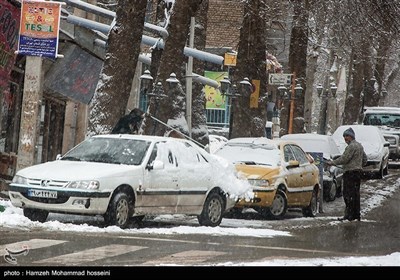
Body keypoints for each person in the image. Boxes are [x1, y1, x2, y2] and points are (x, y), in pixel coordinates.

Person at [326, 127, 367, 221]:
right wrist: (358, 165)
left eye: (347, 136)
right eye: (344, 136)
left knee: (348, 194)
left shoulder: (351, 146)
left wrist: (332, 162)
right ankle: (356, 214)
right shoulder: (359, 146)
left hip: (350, 173)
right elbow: (365, 159)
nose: (345, 138)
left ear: (351, 136)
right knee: (356, 194)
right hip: (358, 173)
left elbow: (344, 158)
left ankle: (349, 215)